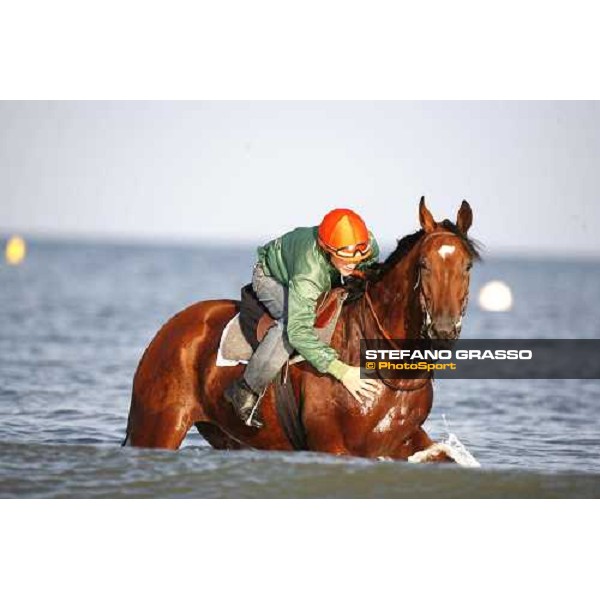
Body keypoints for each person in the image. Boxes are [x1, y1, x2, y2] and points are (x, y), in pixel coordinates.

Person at [224, 208, 382, 427]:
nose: (352, 264)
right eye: (343, 258)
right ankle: (245, 389)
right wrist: (343, 371)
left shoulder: (366, 243)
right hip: (270, 278)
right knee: (289, 325)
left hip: (318, 269)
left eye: (358, 257)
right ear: (328, 250)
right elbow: (298, 333)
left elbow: (365, 263)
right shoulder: (309, 274)